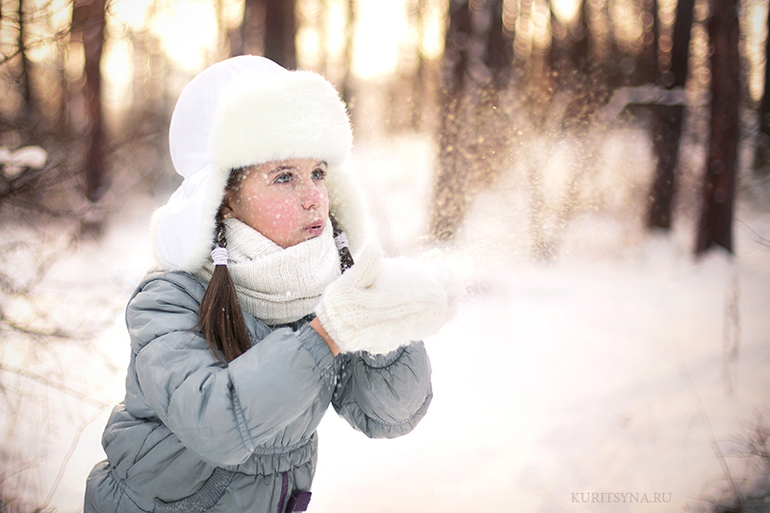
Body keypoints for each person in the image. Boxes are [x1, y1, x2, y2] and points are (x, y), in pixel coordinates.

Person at [84, 55, 455, 513]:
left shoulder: (318, 287)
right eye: (284, 176)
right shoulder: (168, 299)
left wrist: (387, 332)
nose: (313, 196)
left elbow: (388, 416)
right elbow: (214, 422)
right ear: (223, 201)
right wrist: (328, 333)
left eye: (318, 172)